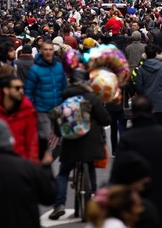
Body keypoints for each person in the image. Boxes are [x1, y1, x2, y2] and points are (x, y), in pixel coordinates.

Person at [49, 69, 111, 220]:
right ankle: (94, 202)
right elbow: (105, 119)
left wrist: (59, 132)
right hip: (90, 141)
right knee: (90, 168)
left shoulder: (64, 96)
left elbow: (58, 116)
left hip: (70, 142)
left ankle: (59, 204)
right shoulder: (92, 97)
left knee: (63, 173)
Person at [117, 95, 162, 225]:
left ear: (132, 113)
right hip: (159, 198)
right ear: (152, 111)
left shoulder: (127, 138)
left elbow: (118, 173)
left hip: (133, 201)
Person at [25, 41, 67, 155]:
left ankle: (46, 162)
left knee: (60, 142)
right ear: (41, 51)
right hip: (42, 110)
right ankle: (44, 166)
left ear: (54, 51)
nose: (48, 52)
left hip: (58, 109)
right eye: (45, 49)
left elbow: (64, 88)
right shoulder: (35, 70)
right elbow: (28, 92)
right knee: (46, 139)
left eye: (50, 49)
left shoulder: (59, 67)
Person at [134, 44, 162, 122]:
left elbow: (138, 86)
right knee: (159, 124)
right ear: (156, 54)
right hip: (160, 100)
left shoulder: (141, 69)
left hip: (146, 102)